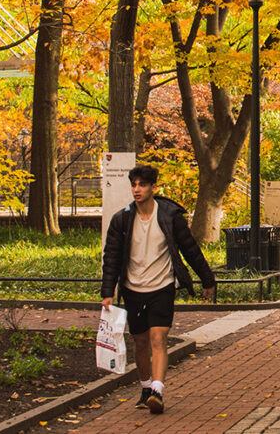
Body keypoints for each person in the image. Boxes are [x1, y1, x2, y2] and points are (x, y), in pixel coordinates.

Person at [101, 165, 215, 415]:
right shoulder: (122, 219)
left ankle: (157, 390)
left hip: (162, 286)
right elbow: (112, 257)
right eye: (134, 185)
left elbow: (190, 249)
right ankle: (145, 387)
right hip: (132, 288)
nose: (137, 189)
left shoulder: (170, 216)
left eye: (142, 185)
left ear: (154, 187)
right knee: (140, 342)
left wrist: (207, 279)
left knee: (158, 339)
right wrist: (107, 292)